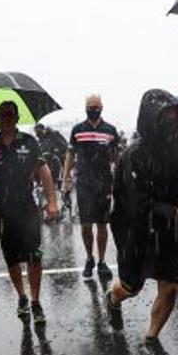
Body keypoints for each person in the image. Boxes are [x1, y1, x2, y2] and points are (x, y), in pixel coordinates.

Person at [105, 89, 178, 355]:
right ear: (150, 118)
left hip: (170, 229)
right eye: (164, 114)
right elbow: (139, 206)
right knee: (132, 287)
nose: (171, 119)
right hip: (136, 229)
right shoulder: (134, 156)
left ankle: (151, 338)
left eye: (174, 113)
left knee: (169, 287)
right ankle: (113, 298)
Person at [0, 101, 58, 324]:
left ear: (16, 118)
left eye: (10, 115)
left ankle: (35, 301)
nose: (6, 119)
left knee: (35, 255)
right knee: (12, 258)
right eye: (2, 116)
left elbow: (44, 172)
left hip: (27, 206)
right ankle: (22, 297)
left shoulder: (29, 141)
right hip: (2, 211)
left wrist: (52, 201)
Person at [63, 94, 119, 281]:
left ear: (101, 107)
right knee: (86, 225)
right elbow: (70, 156)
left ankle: (102, 261)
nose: (93, 109)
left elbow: (117, 158)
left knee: (102, 224)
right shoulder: (77, 130)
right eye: (89, 106)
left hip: (104, 184)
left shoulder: (110, 130)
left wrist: (122, 180)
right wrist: (65, 180)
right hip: (84, 183)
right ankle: (89, 258)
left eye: (96, 106)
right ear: (85, 107)